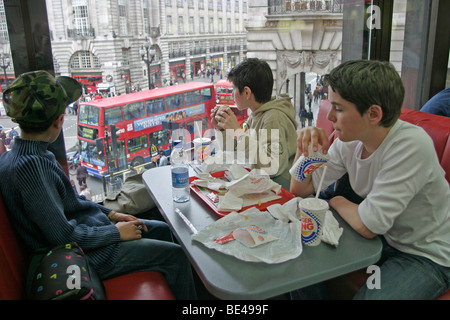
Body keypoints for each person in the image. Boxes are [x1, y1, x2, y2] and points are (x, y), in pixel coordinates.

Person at [0, 70, 196, 299]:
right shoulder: (32, 168)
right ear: (59, 120)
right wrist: (114, 233)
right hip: (87, 253)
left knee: (163, 229)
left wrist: (112, 215)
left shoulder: (24, 155)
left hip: (94, 230)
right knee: (175, 255)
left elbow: (74, 204)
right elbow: (62, 236)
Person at [290, 60, 450, 300]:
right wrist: (308, 153)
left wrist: (337, 201)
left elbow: (369, 226)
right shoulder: (350, 140)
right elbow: (301, 189)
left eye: (339, 108)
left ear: (373, 114)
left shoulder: (411, 146)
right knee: (299, 262)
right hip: (386, 238)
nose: (330, 116)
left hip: (426, 254)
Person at [210, 58, 298, 181]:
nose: (231, 94)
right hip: (262, 181)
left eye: (233, 89)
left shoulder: (273, 118)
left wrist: (238, 133)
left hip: (279, 187)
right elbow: (235, 151)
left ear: (246, 92)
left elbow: (272, 167)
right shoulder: (256, 114)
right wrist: (221, 129)